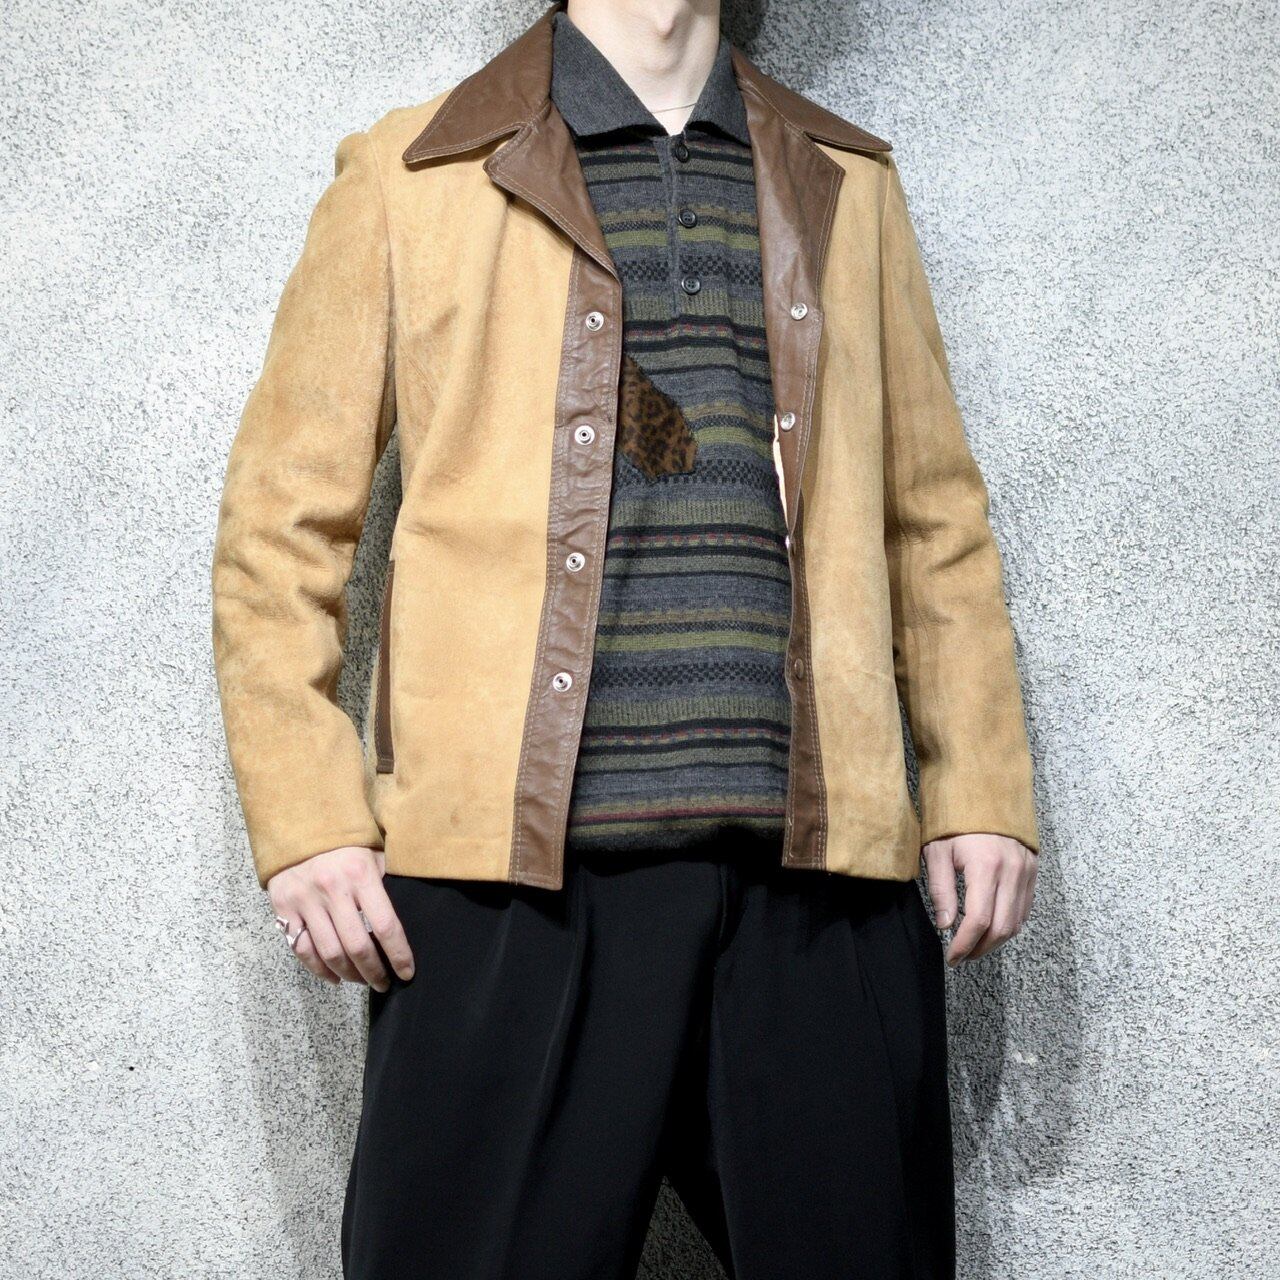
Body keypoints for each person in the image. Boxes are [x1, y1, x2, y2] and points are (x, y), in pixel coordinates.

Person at [210, 1, 1040, 1275]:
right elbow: (278, 530)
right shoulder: (412, 172)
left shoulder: (848, 181)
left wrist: (976, 783)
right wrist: (309, 821)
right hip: (503, 891)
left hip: (818, 884)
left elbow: (931, 518)